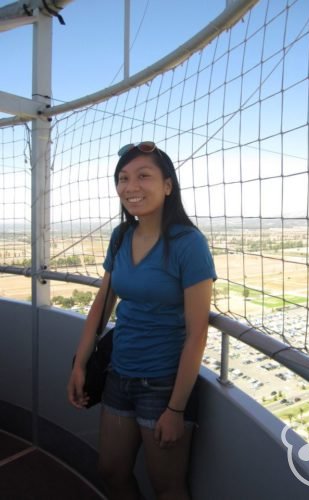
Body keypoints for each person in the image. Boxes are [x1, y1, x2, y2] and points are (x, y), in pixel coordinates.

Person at [67, 141, 216, 500]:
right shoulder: (121, 237)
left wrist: (176, 407)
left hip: (164, 384)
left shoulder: (188, 244)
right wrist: (80, 364)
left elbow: (197, 333)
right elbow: (102, 304)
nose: (130, 187)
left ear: (168, 185)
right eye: (123, 178)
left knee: (167, 487)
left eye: (143, 176)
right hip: (119, 374)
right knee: (111, 471)